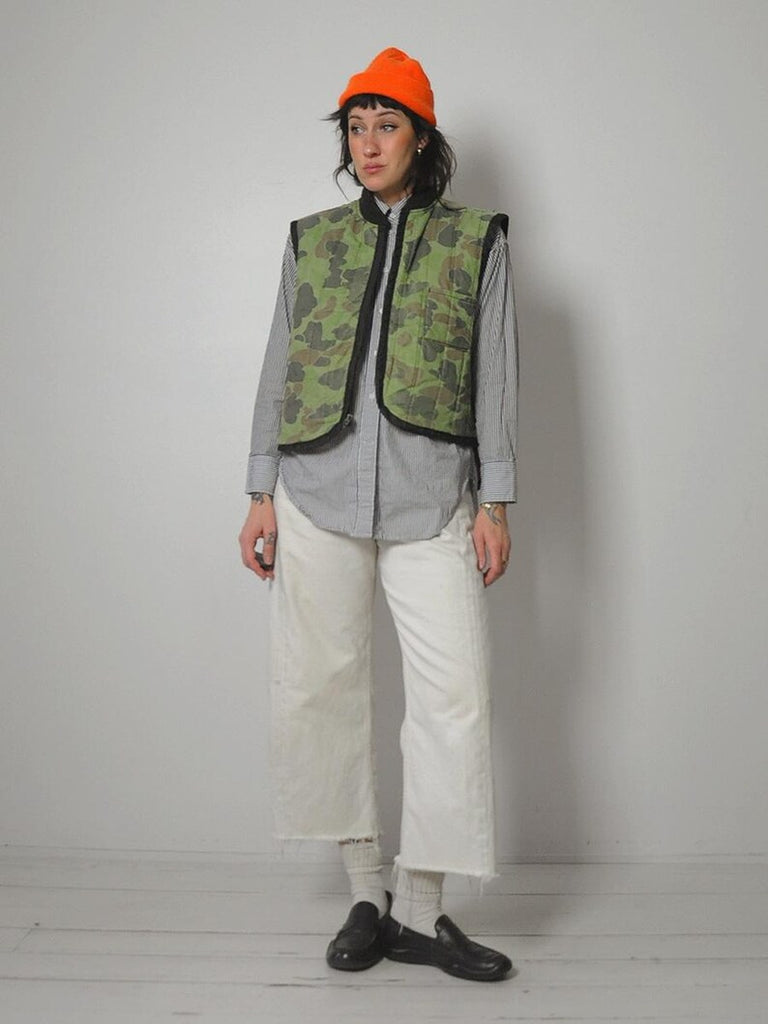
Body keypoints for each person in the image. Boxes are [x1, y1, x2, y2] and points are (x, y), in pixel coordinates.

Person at [239, 47, 518, 982]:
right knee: (320, 688)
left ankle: (422, 908)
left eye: (386, 126)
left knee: (453, 699)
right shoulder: (311, 239)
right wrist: (258, 493)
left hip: (432, 496)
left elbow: (496, 376)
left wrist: (495, 501)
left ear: (421, 138)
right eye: (356, 128)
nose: (368, 144)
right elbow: (278, 366)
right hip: (313, 492)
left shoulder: (475, 239)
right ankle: (366, 892)